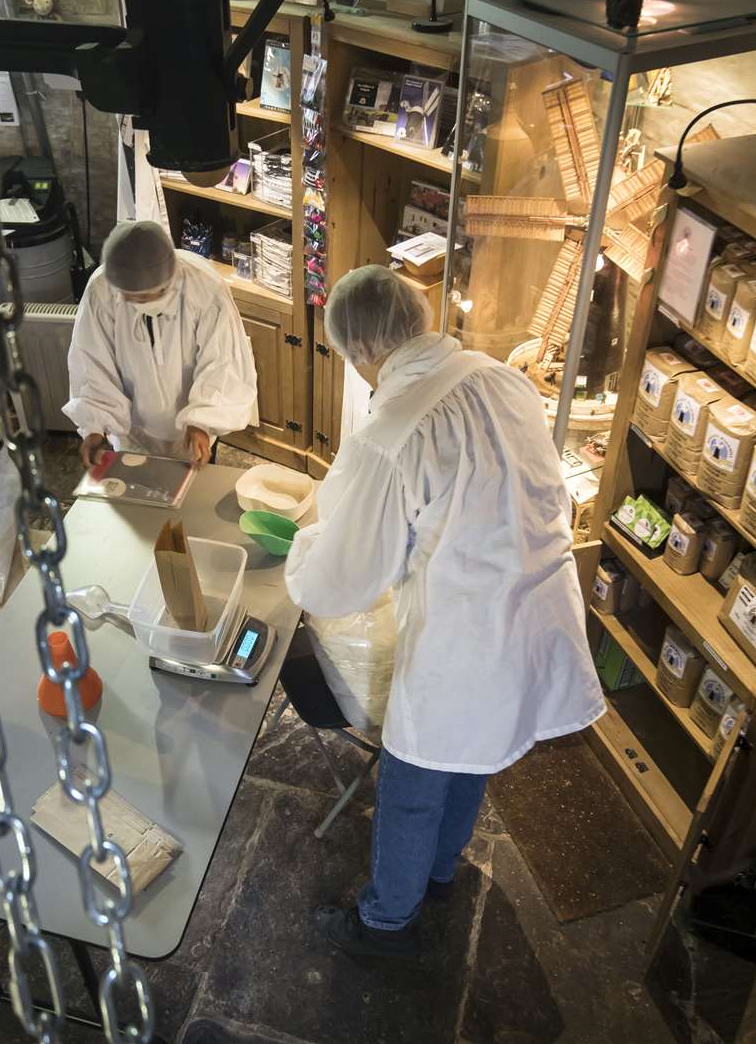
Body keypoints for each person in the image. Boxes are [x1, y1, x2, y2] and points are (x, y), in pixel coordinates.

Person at [285, 266, 605, 958]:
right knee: (472, 755)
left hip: (465, 632)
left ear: (360, 351)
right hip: (537, 603)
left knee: (413, 780)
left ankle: (385, 923)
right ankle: (438, 873)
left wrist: (306, 546)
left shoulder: (392, 434)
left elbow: (341, 581)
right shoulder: (499, 377)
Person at [64, 220, 258, 465]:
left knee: (194, 496)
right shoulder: (102, 291)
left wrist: (201, 421)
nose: (142, 303)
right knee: (137, 496)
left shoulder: (204, 288)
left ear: (171, 278)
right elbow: (91, 362)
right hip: (130, 432)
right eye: (132, 297)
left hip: (191, 433)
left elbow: (222, 363)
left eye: (149, 295)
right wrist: (95, 427)